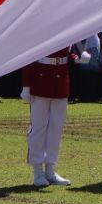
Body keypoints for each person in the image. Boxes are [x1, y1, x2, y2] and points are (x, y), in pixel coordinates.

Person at [22, 45, 75, 187]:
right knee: (38, 129)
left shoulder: (68, 31)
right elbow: (30, 58)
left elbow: (66, 55)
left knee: (55, 130)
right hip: (41, 82)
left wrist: (76, 58)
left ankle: (51, 170)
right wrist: (26, 86)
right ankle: (38, 172)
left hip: (61, 83)